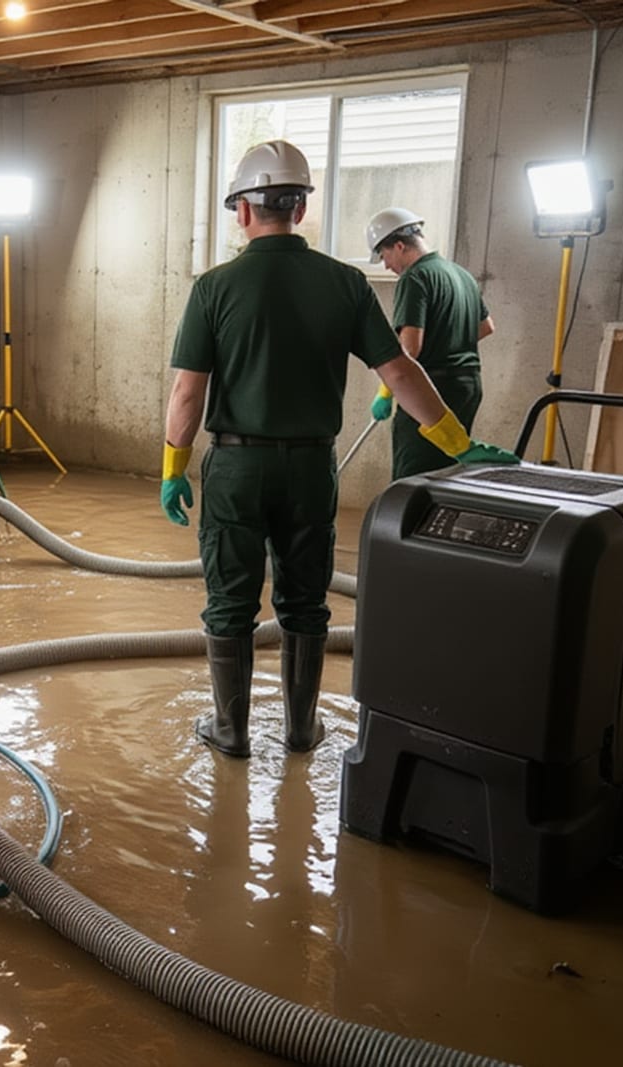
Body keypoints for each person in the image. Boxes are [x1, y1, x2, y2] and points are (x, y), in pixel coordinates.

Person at [159, 141, 516, 759]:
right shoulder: (347, 283)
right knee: (305, 597)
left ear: (243, 210)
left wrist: (171, 468)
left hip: (237, 467)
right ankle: (301, 730)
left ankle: (231, 730)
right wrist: (459, 443)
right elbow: (401, 372)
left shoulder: (213, 287)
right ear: (299, 208)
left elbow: (188, 393)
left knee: (230, 599)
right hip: (310, 467)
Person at [364, 207, 496, 480]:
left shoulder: (415, 278)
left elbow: (410, 349)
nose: (387, 266)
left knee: (414, 480)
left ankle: (411, 525)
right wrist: (448, 342)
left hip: (430, 390)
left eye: (385, 256)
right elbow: (485, 327)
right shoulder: (461, 275)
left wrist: (386, 391)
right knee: (448, 473)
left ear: (399, 245)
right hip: (467, 387)